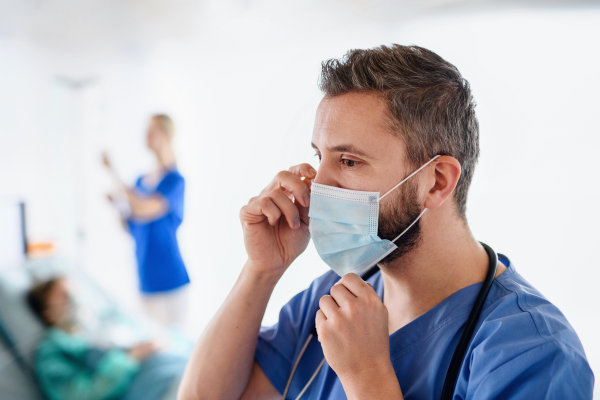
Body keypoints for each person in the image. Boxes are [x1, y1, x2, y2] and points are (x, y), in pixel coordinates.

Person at [178, 45, 594, 399]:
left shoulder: (531, 350)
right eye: (320, 158)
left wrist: (368, 377)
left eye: (350, 161)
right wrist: (261, 270)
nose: (317, 185)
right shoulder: (334, 296)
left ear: (436, 182)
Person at [27, 277, 186, 400]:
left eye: (73, 291)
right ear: (48, 314)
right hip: (159, 388)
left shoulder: (103, 319)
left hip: (179, 366)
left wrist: (159, 341)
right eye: (64, 295)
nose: (74, 297)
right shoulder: (54, 348)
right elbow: (77, 395)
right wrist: (130, 358)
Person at [103, 114, 190, 329]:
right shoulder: (140, 181)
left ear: (167, 135)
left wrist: (112, 172)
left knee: (177, 345)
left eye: (153, 130)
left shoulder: (175, 181)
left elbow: (143, 208)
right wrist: (119, 206)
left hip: (171, 279)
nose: (146, 136)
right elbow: (129, 225)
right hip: (145, 277)